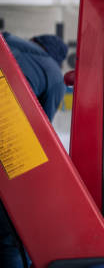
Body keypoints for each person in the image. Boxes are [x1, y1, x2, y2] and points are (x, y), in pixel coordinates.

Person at [0, 32, 68, 268]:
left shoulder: (6, 41)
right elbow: (41, 132)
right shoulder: (54, 73)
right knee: (13, 233)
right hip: (7, 144)